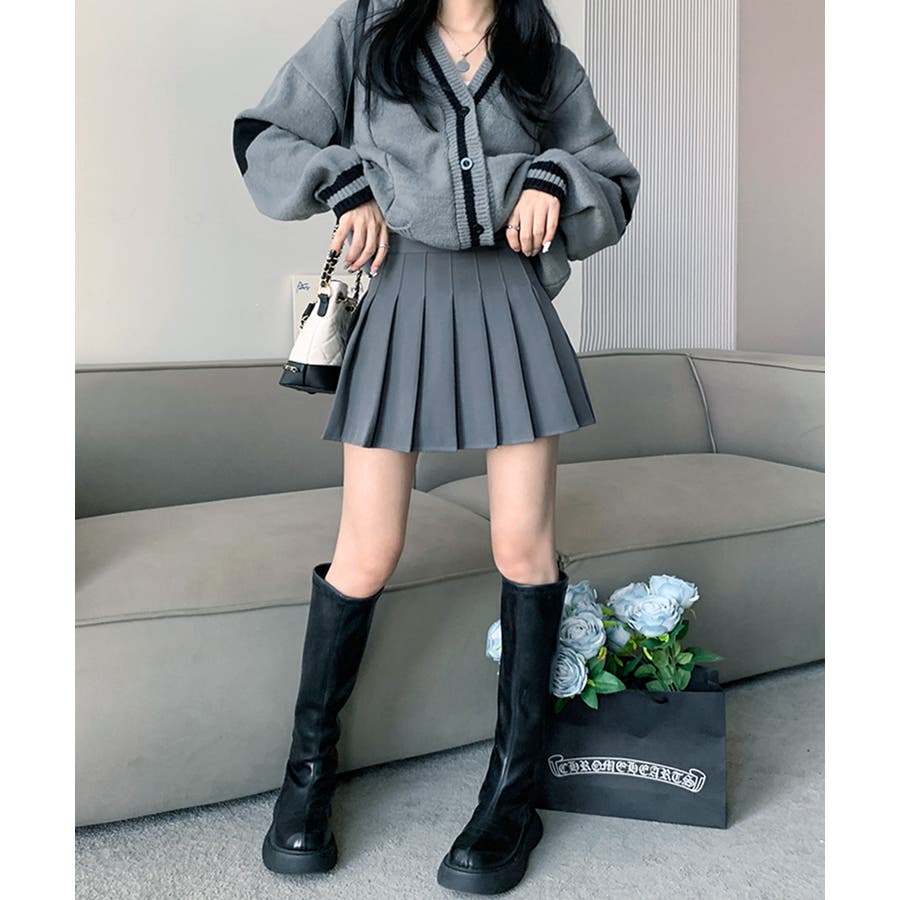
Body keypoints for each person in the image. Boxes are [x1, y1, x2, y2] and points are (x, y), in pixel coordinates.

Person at [232, 0, 640, 893]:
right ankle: (306, 778)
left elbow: (612, 181)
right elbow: (264, 136)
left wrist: (553, 178)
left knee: (523, 547)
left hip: (508, 302)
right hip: (403, 295)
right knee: (367, 549)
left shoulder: (539, 53)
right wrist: (346, 185)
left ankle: (512, 796)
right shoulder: (366, 30)